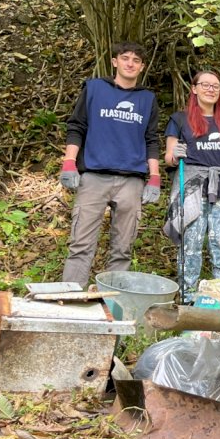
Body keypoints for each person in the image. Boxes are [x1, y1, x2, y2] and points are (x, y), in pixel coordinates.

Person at [60, 41, 160, 288]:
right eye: (125, 58)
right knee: (81, 244)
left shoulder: (147, 99)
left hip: (132, 181)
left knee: (123, 249)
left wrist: (154, 177)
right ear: (115, 61)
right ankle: (70, 300)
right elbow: (77, 126)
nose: (130, 64)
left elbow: (151, 139)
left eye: (136, 61)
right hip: (94, 176)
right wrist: (69, 162)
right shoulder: (95, 88)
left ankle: (113, 306)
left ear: (142, 66)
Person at [162, 71, 220, 302]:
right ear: (194, 89)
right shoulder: (180, 120)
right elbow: (169, 157)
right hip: (191, 187)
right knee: (190, 246)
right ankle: (188, 297)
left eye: (216, 86)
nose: (211, 89)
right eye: (206, 85)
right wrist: (175, 155)